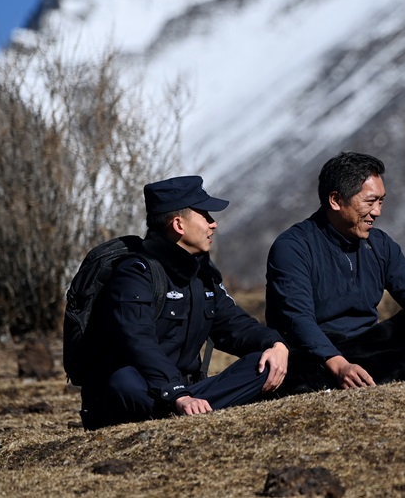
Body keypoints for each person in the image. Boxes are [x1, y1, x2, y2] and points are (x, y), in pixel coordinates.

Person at [266, 151, 405, 390]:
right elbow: (297, 320)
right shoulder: (293, 247)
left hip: (367, 346)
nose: (377, 212)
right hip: (316, 356)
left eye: (381, 201)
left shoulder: (380, 245)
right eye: (370, 201)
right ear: (336, 200)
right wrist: (339, 365)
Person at [79, 176, 289, 430]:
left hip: (187, 391)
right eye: (205, 216)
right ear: (179, 224)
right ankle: (187, 409)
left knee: (264, 364)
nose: (213, 223)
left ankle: (186, 411)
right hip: (144, 388)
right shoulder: (135, 273)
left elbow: (234, 325)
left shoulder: (201, 276)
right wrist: (176, 394)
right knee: (124, 382)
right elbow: (137, 341)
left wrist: (274, 344)